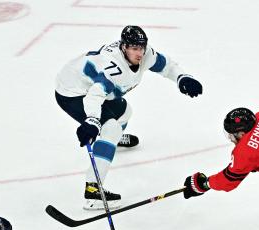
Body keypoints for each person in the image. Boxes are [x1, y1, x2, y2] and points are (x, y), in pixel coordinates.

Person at [55, 25, 203, 210]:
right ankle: (93, 190)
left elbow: (166, 65)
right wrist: (92, 121)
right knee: (111, 129)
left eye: (141, 47)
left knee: (125, 113)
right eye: (134, 48)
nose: (139, 52)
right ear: (124, 47)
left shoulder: (144, 53)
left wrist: (182, 77)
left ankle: (110, 142)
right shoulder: (113, 69)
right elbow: (94, 96)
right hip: (73, 92)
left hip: (94, 88)